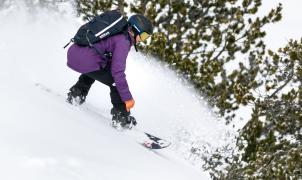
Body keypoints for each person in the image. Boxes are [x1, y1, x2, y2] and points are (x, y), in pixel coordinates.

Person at [66, 14, 153, 128]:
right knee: (116, 83)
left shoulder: (116, 32)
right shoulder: (123, 41)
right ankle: (121, 117)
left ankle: (76, 94)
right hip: (86, 61)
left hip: (74, 55)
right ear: (136, 30)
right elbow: (118, 73)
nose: (142, 40)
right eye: (144, 36)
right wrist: (127, 99)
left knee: (97, 66)